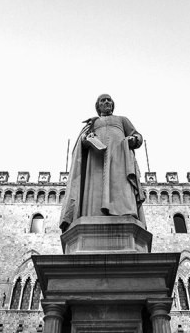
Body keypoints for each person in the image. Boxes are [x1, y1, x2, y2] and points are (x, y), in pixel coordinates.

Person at [60, 94, 146, 231]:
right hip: (96, 160)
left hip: (119, 158)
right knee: (95, 190)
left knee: (121, 184)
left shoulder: (122, 120)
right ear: (98, 106)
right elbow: (81, 141)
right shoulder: (93, 123)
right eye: (103, 100)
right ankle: (93, 214)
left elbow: (137, 135)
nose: (107, 102)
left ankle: (124, 212)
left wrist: (134, 140)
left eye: (109, 100)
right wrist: (86, 138)